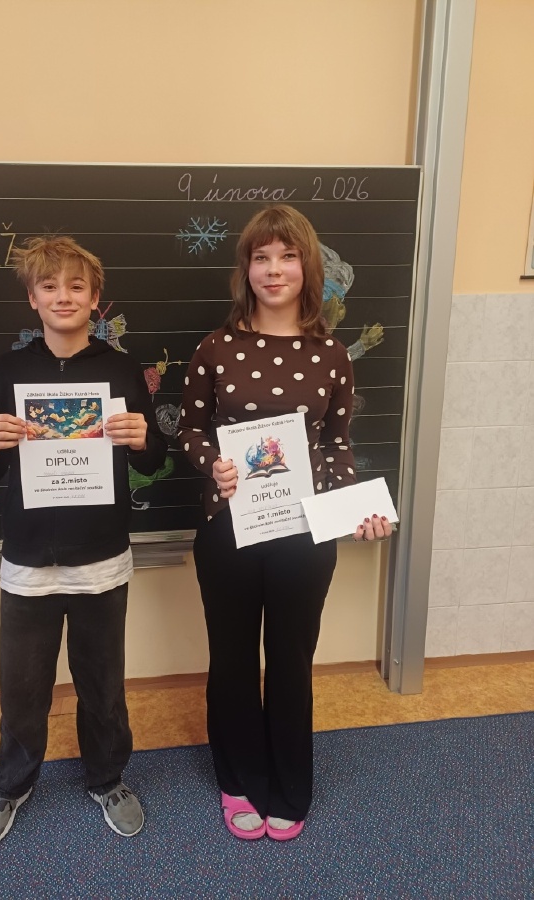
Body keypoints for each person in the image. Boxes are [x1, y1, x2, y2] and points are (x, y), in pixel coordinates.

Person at [178, 205, 391, 842]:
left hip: (305, 533)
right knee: (233, 658)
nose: (274, 270)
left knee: (293, 659)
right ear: (246, 269)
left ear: (307, 268)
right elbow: (190, 430)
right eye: (262, 257)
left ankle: (291, 781)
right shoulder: (216, 348)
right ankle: (239, 778)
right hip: (229, 527)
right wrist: (213, 464)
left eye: (288, 256)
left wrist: (357, 509)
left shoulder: (331, 354)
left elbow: (338, 445)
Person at [0, 236, 166, 849]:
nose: (63, 297)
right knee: (22, 687)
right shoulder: (6, 371)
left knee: (102, 683)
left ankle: (107, 778)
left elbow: (153, 459)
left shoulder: (121, 369)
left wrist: (143, 438)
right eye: (49, 286)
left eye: (76, 286)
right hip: (28, 558)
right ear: (32, 298)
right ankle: (12, 783)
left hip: (100, 556)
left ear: (95, 298)